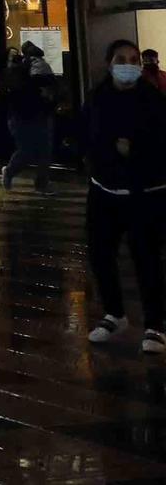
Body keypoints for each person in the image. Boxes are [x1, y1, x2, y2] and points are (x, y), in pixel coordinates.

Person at [86, 39, 166, 352]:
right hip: (104, 189)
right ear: (109, 63)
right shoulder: (97, 98)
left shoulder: (153, 100)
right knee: (100, 253)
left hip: (145, 192)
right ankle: (114, 313)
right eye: (122, 59)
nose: (128, 65)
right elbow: (89, 136)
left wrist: (134, 151)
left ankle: (155, 325)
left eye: (133, 59)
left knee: (146, 258)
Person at [3, 40, 58, 192]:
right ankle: (10, 171)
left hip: (40, 114)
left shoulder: (37, 69)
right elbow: (17, 93)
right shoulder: (16, 72)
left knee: (44, 151)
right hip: (23, 117)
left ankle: (42, 183)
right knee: (27, 150)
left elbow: (51, 87)